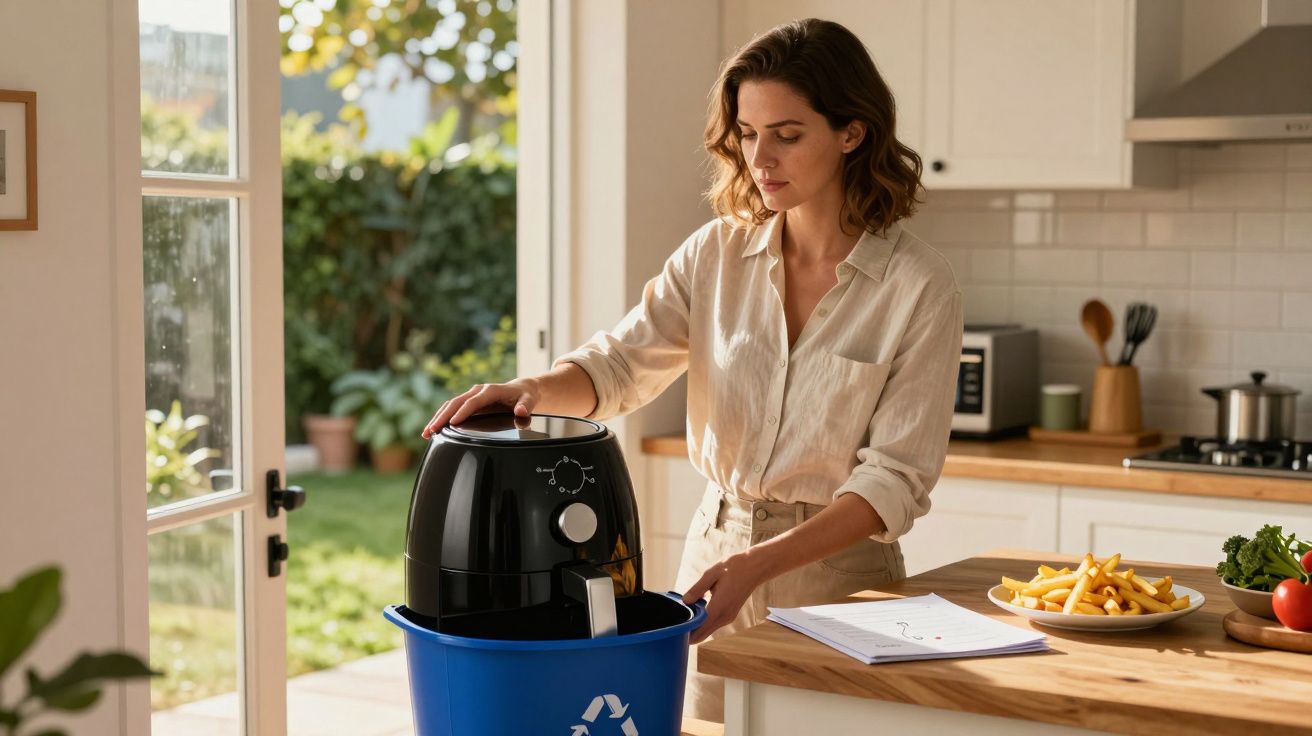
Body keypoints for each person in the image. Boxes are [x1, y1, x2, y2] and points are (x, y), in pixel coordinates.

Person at [421, 18, 963, 723]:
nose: (760, 156)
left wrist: (762, 566)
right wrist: (530, 390)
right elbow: (619, 365)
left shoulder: (919, 287)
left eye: (787, 134)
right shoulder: (715, 256)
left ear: (852, 133)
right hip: (713, 563)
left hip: (841, 588)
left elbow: (893, 482)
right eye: (746, 132)